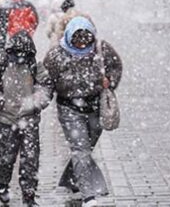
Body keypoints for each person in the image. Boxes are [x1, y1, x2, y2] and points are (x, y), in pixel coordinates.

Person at [43, 16, 123, 207]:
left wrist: (110, 81)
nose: (81, 44)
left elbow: (116, 66)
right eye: (77, 40)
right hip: (69, 109)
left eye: (85, 39)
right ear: (69, 36)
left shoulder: (101, 49)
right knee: (80, 149)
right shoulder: (56, 55)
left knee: (86, 149)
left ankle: (73, 179)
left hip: (95, 107)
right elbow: (46, 81)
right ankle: (88, 195)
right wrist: (41, 101)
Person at [0, 31, 52, 207]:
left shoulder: (35, 64)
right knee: (6, 157)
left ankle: (29, 195)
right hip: (6, 119)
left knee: (30, 159)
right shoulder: (0, 62)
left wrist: (35, 103)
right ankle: (3, 184)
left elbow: (46, 86)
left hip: (29, 118)